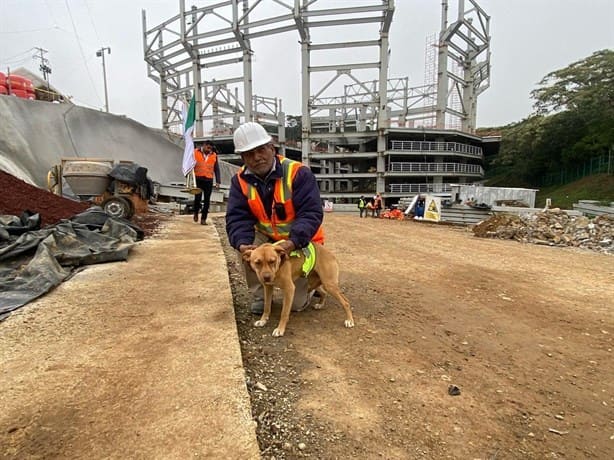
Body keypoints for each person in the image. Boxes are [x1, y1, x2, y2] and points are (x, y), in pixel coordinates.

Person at [225, 122, 324, 315]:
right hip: (267, 239)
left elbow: (311, 213)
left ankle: (309, 288)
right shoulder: (239, 181)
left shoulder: (298, 173)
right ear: (242, 157)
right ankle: (262, 296)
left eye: (261, 150)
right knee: (245, 247)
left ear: (272, 148)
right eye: (249, 154)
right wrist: (243, 244)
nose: (256, 158)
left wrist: (293, 242)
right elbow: (237, 218)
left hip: (300, 240)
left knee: (296, 305)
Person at [193, 141, 221, 225]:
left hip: (208, 180)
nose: (209, 150)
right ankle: (196, 213)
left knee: (207, 200)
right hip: (198, 178)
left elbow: (216, 169)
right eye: (208, 148)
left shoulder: (214, 155)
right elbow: (189, 164)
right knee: (197, 198)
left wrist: (218, 181)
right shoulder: (195, 152)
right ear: (204, 145)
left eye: (210, 148)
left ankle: (203, 219)